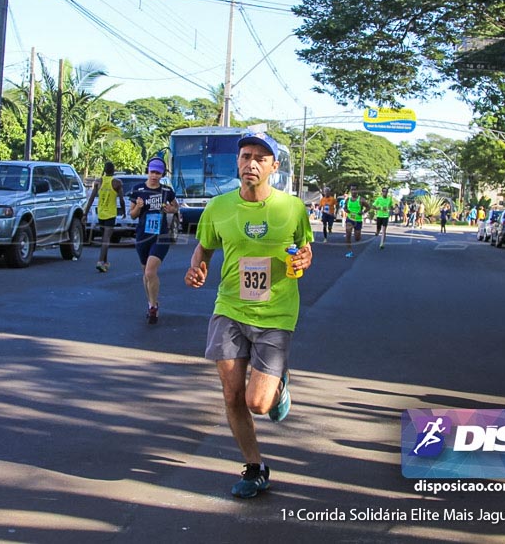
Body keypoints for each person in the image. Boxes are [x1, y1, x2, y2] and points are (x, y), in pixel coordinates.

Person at [184, 131, 313, 499]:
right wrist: (198, 269)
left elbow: (304, 250)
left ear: (273, 166)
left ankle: (278, 384)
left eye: (259, 157)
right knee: (231, 395)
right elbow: (204, 249)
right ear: (237, 163)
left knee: (258, 403)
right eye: (245, 156)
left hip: (276, 312)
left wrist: (305, 258)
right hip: (229, 307)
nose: (250, 163)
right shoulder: (218, 208)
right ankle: (255, 468)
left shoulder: (292, 208)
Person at [129, 157, 179, 324]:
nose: (155, 176)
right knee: (146, 273)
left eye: (158, 173)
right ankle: (151, 303)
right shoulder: (138, 190)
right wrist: (139, 206)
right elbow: (132, 214)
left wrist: (170, 209)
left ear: (162, 174)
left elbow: (175, 207)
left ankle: (153, 307)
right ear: (147, 172)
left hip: (161, 235)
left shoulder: (166, 190)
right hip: (143, 235)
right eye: (152, 172)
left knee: (150, 272)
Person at [84, 161, 125, 272]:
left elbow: (91, 198)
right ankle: (100, 261)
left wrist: (85, 213)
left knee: (104, 238)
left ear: (105, 170)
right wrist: (124, 212)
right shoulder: (117, 183)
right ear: (114, 170)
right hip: (111, 214)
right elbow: (121, 199)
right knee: (106, 239)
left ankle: (105, 262)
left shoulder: (98, 182)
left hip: (101, 214)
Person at [343, 184, 369, 258]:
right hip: (349, 219)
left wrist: (363, 212)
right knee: (348, 234)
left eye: (355, 190)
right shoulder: (348, 199)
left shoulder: (361, 199)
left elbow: (368, 207)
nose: (353, 191)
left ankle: (358, 235)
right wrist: (346, 210)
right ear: (350, 191)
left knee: (357, 238)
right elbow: (345, 207)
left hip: (358, 220)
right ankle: (349, 252)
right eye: (352, 190)